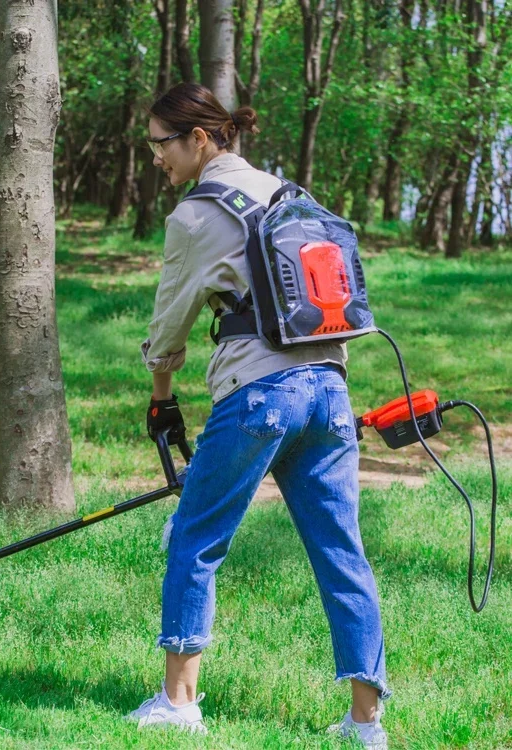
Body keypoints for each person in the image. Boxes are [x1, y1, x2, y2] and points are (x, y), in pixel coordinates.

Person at [124, 83, 391, 750]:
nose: (154, 156)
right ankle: (365, 726)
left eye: (160, 143)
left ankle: (179, 704)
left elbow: (169, 327)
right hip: (330, 390)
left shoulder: (194, 216)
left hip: (260, 394)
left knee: (196, 535)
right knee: (341, 551)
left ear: (200, 140)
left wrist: (162, 394)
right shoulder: (289, 193)